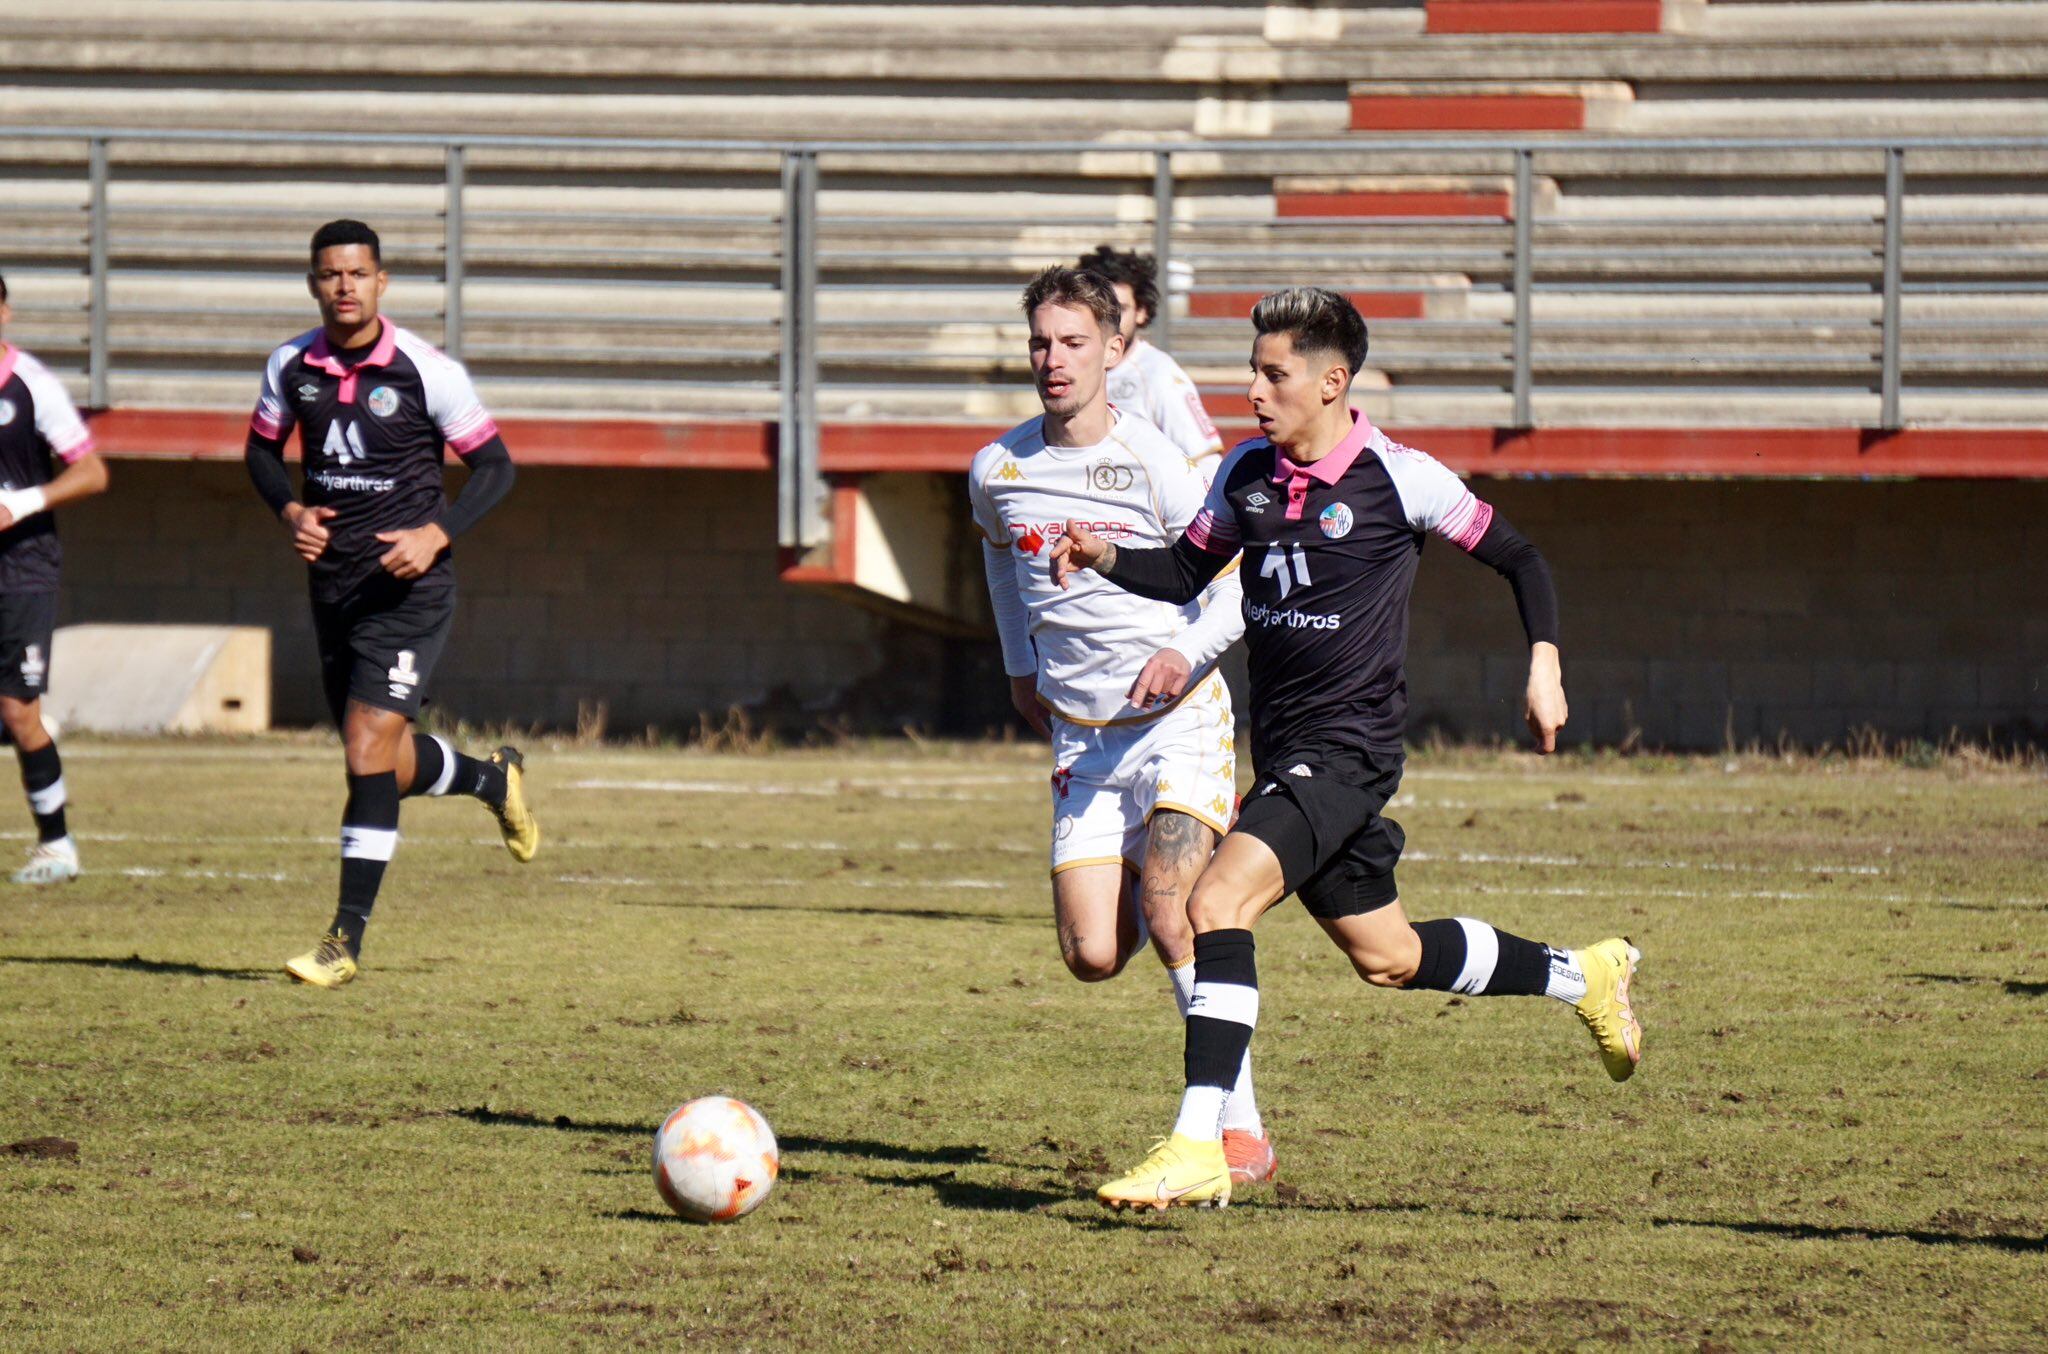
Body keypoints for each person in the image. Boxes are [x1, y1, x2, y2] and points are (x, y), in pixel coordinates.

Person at [1050, 287, 1642, 1211]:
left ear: (1332, 382)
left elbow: (1520, 556)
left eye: (1272, 373)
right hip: (1286, 749)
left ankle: (1202, 1141)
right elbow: (1183, 576)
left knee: (1215, 903)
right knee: (1390, 956)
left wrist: (1545, 664)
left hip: (1349, 751)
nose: (1252, 388)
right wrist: (1102, 557)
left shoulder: (1402, 478)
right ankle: (1583, 975)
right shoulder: (1244, 473)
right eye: (1253, 369)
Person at [970, 266, 1274, 1185]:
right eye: (1040, 343)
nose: (1052, 361)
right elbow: (998, 565)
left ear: (1112, 350)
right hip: (1081, 738)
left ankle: (1238, 1133)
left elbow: (1234, 579)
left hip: (1179, 721)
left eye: (1072, 343)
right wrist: (1021, 667)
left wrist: (1190, 655)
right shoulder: (1000, 467)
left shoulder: (1156, 462)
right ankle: (1134, 873)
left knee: (1176, 918)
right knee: (1092, 956)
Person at [244, 219, 536, 988]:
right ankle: (490, 780)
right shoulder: (289, 365)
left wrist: (437, 533)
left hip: (409, 590)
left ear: (382, 282)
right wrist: (292, 514)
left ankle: (344, 941)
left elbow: (497, 469)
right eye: (330, 274)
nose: (345, 286)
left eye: (358, 273)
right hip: (333, 586)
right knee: (385, 759)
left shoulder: (425, 370)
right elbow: (260, 453)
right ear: (314, 283)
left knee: (364, 751)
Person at [0, 271, 110, 884]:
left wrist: (21, 504)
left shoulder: (31, 385)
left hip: (21, 568)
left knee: (19, 713)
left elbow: (93, 473)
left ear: (5, 312)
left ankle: (57, 844)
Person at [1075, 246, 1223, 476]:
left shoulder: (1158, 374)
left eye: (1120, 309)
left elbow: (1206, 463)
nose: (1110, 319)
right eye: (1099, 308)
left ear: (1141, 311)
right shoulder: (1072, 366)